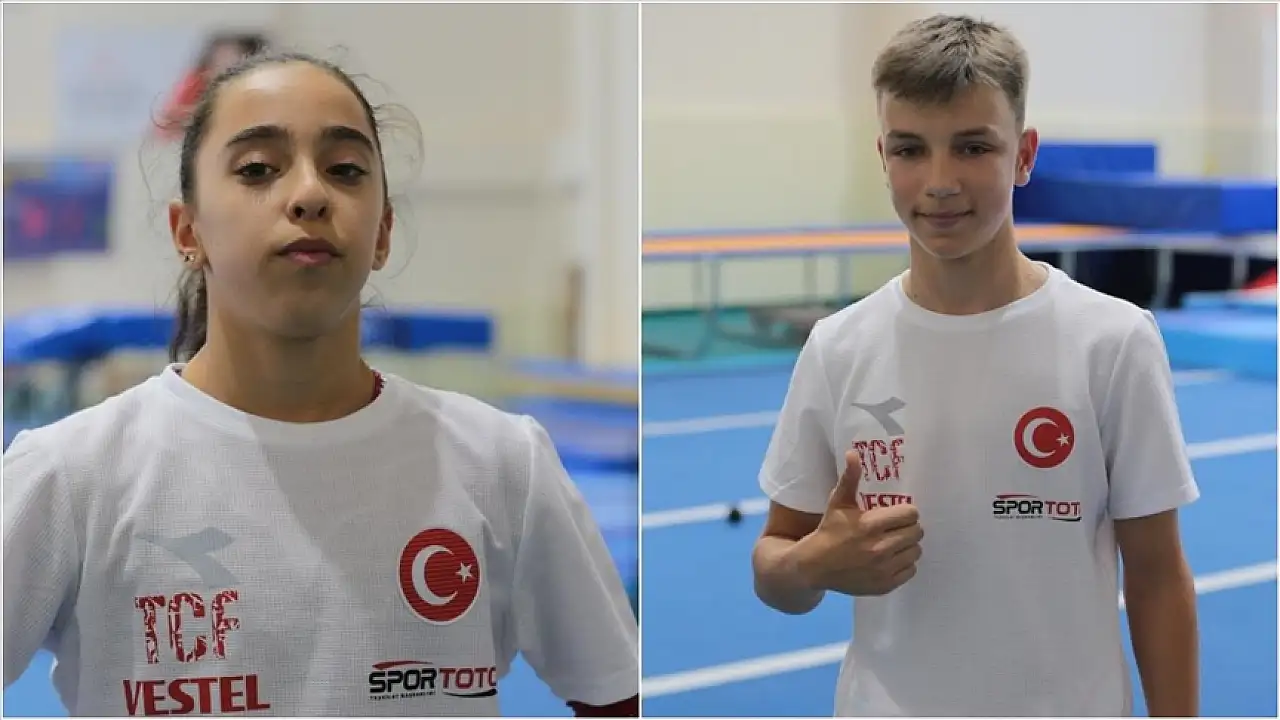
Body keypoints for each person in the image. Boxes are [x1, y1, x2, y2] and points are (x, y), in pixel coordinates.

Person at [3, 51, 639, 717]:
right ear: (188, 231)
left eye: (345, 170)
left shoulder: (503, 464)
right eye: (257, 169)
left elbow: (614, 694)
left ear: (383, 232)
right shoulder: (70, 477)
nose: (309, 194)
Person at [751, 14, 1199, 718]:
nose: (939, 182)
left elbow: (1156, 576)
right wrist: (812, 565)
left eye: (972, 147)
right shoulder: (840, 347)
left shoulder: (1112, 341)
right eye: (911, 149)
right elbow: (777, 562)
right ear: (883, 157)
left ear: (1023, 155)